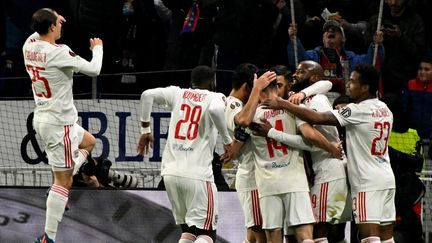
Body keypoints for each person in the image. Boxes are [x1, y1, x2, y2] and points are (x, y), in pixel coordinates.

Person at [262, 64, 396, 243]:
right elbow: (325, 84)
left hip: (361, 179)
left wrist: (281, 105)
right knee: (386, 237)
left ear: (365, 87)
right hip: (386, 177)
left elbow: (317, 119)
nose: (348, 85)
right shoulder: (385, 108)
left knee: (361, 236)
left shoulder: (354, 109)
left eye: (353, 82)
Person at [23, 8, 103, 243]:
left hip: (45, 117)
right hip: (60, 125)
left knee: (89, 142)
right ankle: (48, 237)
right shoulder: (59, 52)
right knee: (63, 181)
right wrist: (97, 48)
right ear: (51, 28)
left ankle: (56, 190)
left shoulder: (28, 46)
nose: (61, 26)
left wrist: (52, 14)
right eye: (57, 23)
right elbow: (94, 69)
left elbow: (36, 31)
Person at [137, 65, 233, 243]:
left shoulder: (177, 93)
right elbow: (216, 110)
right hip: (198, 175)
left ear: (192, 82)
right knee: (207, 234)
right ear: (213, 82)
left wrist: (145, 129)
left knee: (188, 233)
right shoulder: (216, 96)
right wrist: (227, 141)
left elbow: (146, 95)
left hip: (170, 173)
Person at [248, 79, 343, 243]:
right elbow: (309, 140)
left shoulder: (251, 115)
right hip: (295, 181)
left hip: (267, 183)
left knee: (273, 237)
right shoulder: (292, 110)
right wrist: (331, 147)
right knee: (305, 235)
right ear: (277, 88)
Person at [287, 61, 351, 243]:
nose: (295, 74)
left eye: (301, 71)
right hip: (322, 170)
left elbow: (313, 134)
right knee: (331, 232)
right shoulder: (299, 97)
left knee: (318, 230)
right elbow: (326, 83)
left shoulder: (318, 100)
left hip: (329, 168)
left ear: (313, 77)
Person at [224, 63, 276, 243]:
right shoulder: (232, 104)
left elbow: (242, 131)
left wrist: (236, 144)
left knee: (253, 235)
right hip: (251, 177)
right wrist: (257, 90)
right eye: (256, 88)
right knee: (260, 232)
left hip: (257, 175)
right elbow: (244, 121)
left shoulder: (241, 105)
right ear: (248, 87)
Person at [287, 19, 384, 103]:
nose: (330, 30)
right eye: (326, 30)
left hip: (344, 101)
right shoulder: (313, 55)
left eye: (336, 30)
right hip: (315, 100)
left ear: (343, 39)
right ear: (323, 39)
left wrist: (376, 45)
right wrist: (293, 39)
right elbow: (298, 60)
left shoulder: (351, 58)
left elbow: (371, 65)